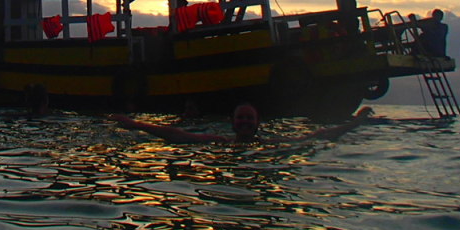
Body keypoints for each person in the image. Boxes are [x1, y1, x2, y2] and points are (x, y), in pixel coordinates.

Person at [110, 103, 374, 145]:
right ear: (232, 123)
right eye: (242, 118)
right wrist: (134, 124)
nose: (245, 122)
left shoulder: (271, 144)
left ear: (257, 123)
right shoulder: (220, 142)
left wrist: (355, 123)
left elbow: (319, 135)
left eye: (249, 118)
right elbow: (176, 135)